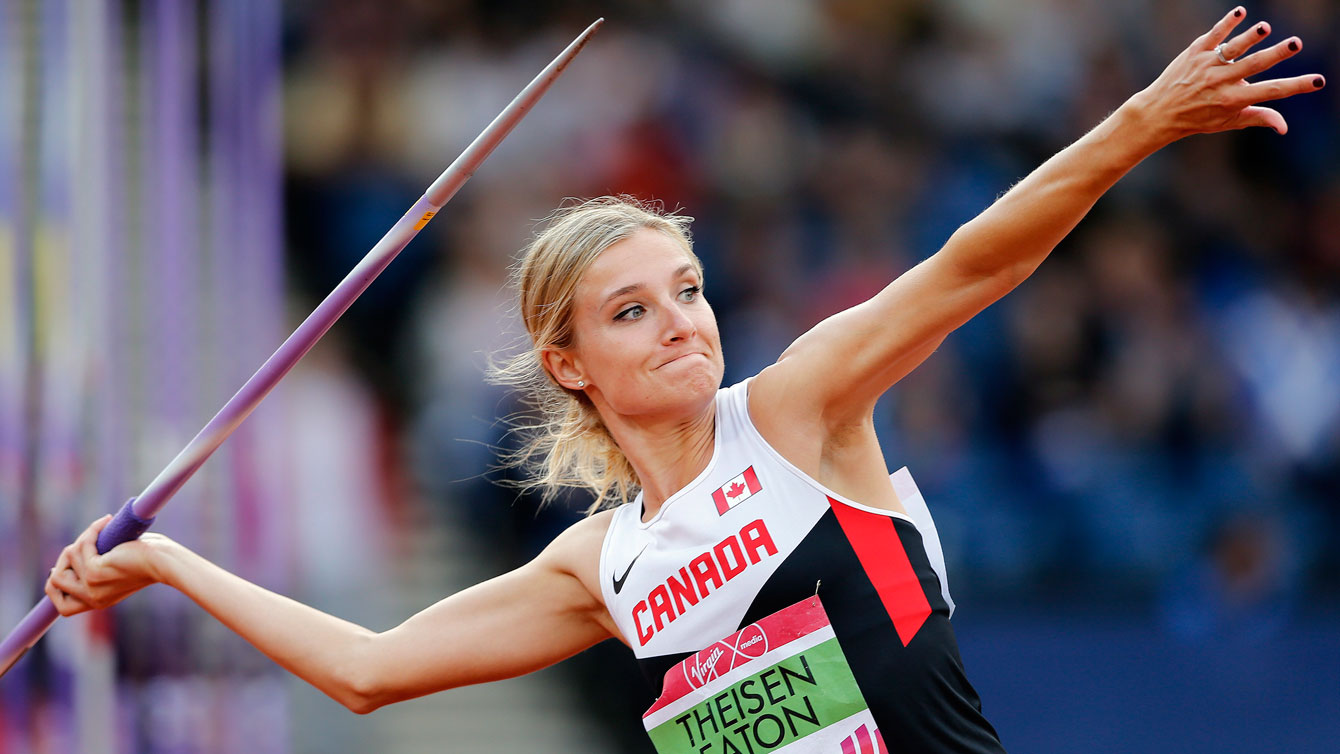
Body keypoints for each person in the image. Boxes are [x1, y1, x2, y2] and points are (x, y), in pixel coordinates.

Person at [46, 9, 1323, 752]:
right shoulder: (598, 566)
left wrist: (1137, 123)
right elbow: (370, 669)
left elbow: (970, 262)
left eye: (689, 290)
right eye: (630, 311)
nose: (679, 322)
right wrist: (167, 565)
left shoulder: (795, 411)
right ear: (567, 365)